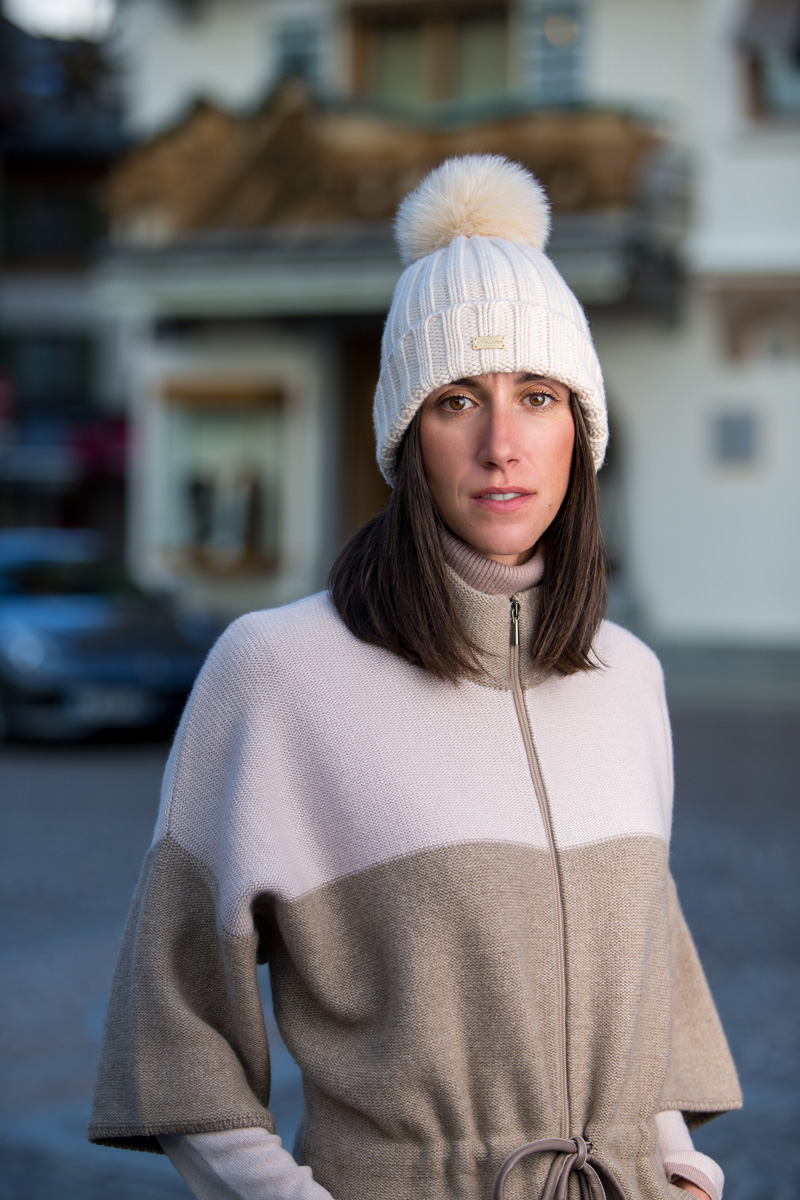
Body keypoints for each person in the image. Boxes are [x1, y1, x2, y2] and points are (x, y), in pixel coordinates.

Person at [89, 155, 741, 1200]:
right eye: (454, 400)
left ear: (580, 427)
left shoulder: (628, 678)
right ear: (405, 435)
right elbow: (176, 1029)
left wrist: (675, 1163)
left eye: (536, 396)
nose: (500, 444)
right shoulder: (280, 671)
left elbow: (644, 986)